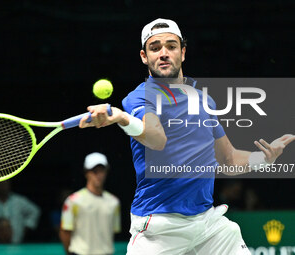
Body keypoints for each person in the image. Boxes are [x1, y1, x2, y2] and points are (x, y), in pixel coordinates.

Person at [79, 18, 295, 255]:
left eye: (171, 46)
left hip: (208, 226)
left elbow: (229, 159)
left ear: (182, 53)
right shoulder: (140, 98)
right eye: (155, 47)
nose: (163, 53)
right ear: (144, 56)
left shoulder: (204, 101)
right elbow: (156, 138)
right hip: (159, 230)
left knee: (231, 232)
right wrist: (123, 119)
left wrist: (263, 159)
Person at [59, 152, 121, 255]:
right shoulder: (73, 200)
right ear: (86, 173)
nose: (98, 175)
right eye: (94, 171)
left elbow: (113, 232)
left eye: (102, 171)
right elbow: (65, 232)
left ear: (106, 172)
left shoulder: (114, 202)